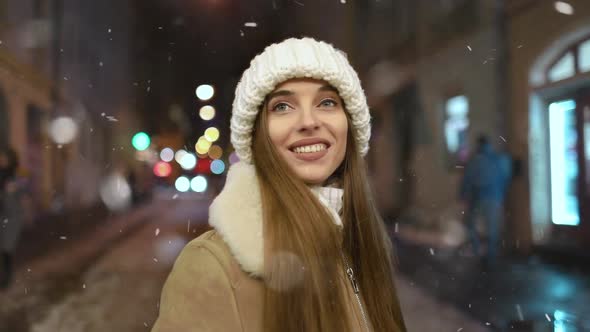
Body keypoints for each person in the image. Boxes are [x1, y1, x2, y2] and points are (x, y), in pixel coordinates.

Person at [152, 38, 407, 332]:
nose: (309, 121)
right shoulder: (212, 267)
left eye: (327, 102)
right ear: (257, 135)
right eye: (283, 106)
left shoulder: (357, 242)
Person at [459, 135, 511, 265]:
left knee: (471, 224)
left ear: (478, 144)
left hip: (478, 198)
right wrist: (502, 194)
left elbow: (467, 179)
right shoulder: (497, 159)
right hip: (495, 197)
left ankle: (478, 251)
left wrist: (462, 195)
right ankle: (491, 256)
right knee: (492, 227)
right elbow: (505, 177)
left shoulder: (475, 160)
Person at [0, 147, 26, 289]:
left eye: (4, 158)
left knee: (7, 248)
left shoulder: (17, 174)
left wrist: (16, 187)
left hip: (12, 217)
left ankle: (7, 278)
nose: (2, 160)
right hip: (1, 214)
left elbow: (26, 189)